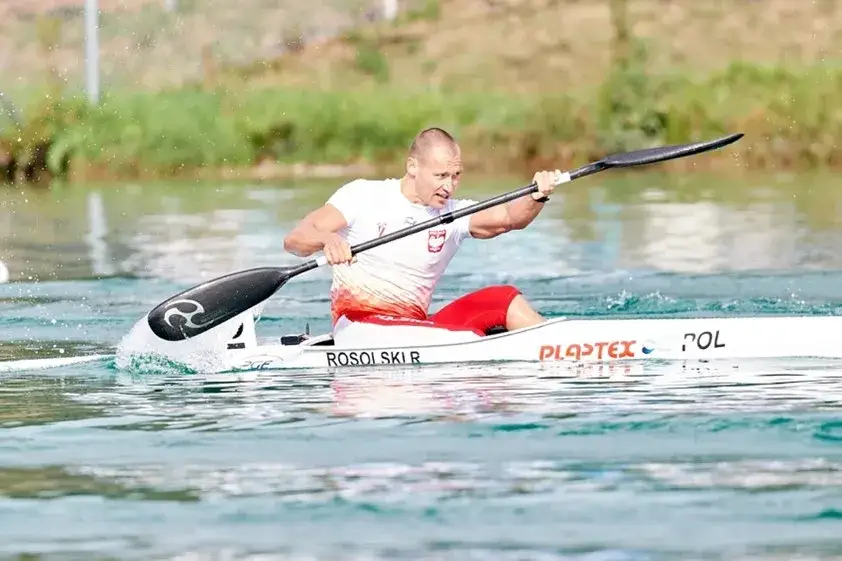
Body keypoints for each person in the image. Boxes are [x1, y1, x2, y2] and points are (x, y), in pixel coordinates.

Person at [282, 127, 559, 346]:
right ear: (413, 167)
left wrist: (538, 195)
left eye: (456, 176)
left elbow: (510, 218)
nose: (449, 186)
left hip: (416, 328)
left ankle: (558, 346)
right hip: (359, 326)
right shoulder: (364, 195)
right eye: (440, 175)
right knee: (461, 338)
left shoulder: (454, 213)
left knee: (504, 299)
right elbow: (296, 238)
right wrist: (327, 240)